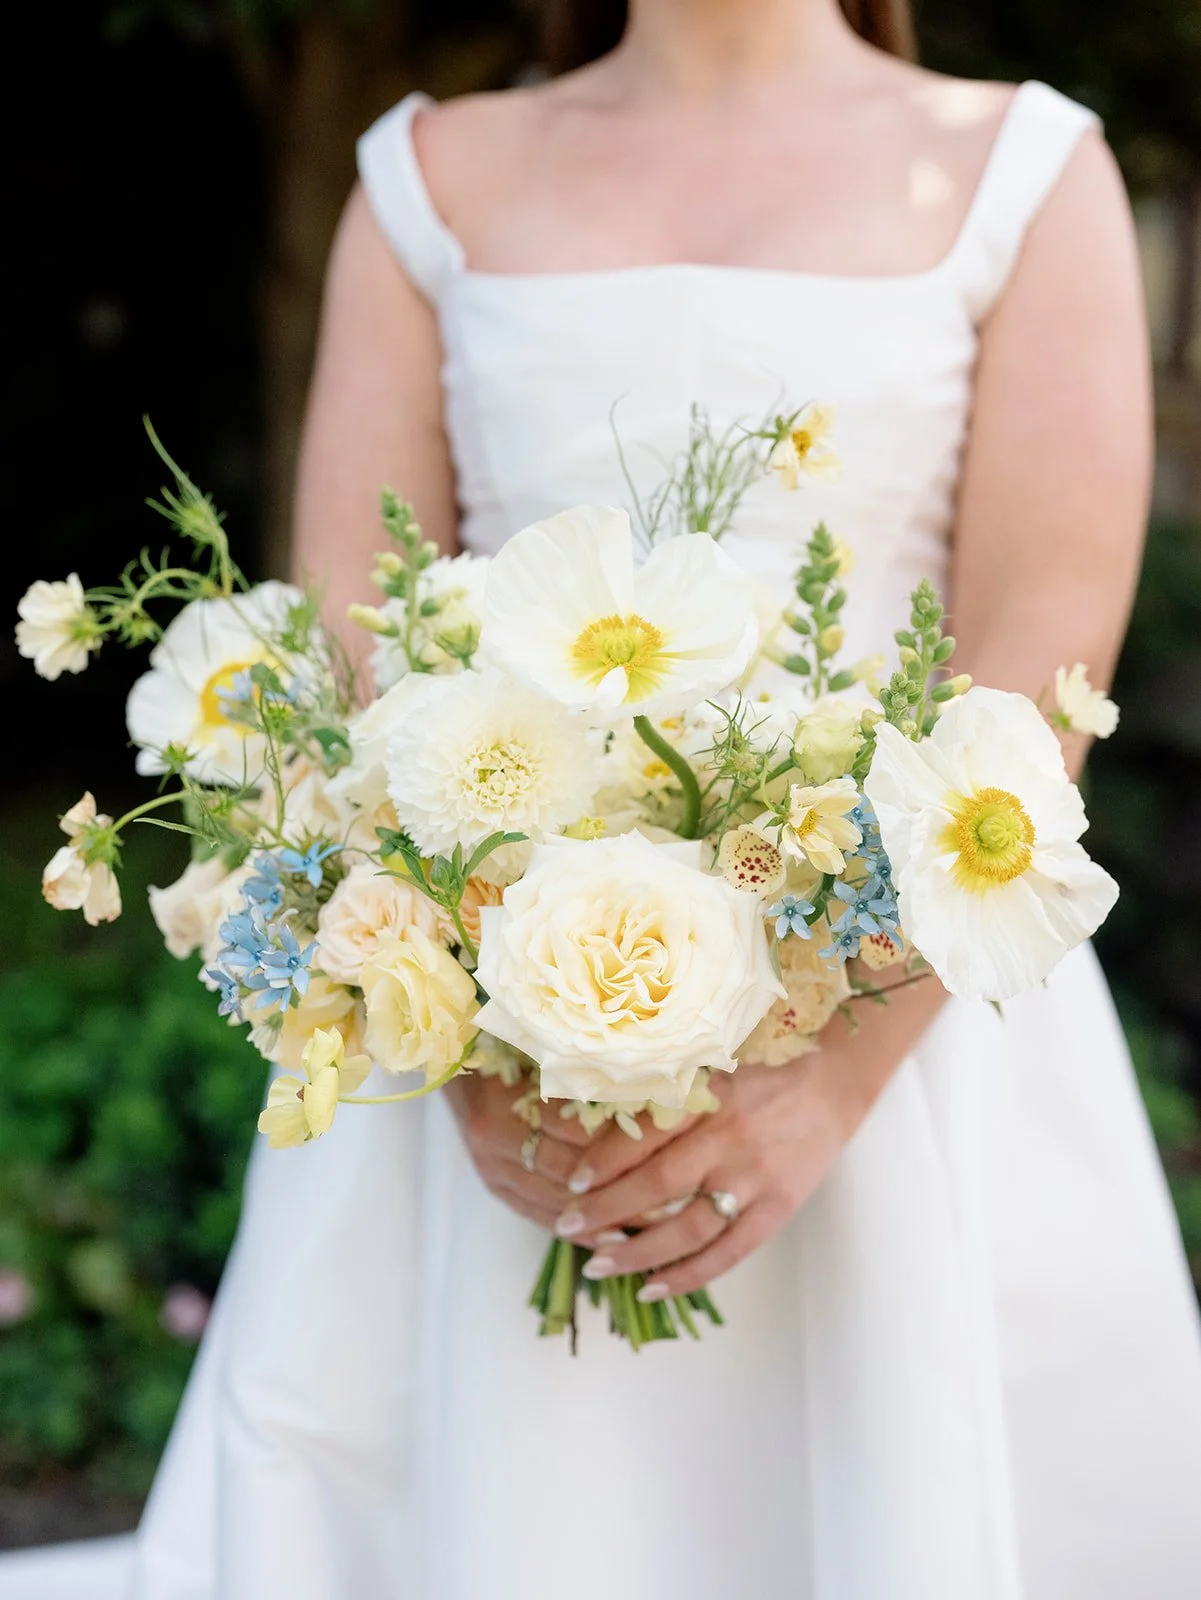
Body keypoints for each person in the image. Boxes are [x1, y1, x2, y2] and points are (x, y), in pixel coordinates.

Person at [6, 1, 1201, 1595]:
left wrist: (823, 1089)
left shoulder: (1021, 173)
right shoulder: (425, 182)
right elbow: (349, 657)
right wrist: (472, 1047)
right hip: (493, 1077)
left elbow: (1035, 675)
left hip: (907, 1044)